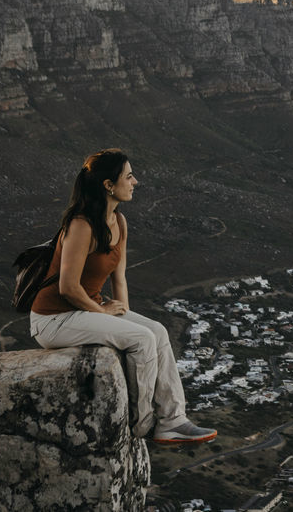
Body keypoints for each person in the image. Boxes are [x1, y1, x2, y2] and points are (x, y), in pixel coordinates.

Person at [29, 148, 216, 445]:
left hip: (87, 310)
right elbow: (68, 287)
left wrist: (123, 315)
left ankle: (173, 419)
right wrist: (103, 314)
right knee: (141, 340)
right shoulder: (81, 225)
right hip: (54, 319)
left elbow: (119, 277)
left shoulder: (119, 222)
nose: (135, 182)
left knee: (156, 331)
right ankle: (142, 425)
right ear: (108, 185)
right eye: (128, 176)